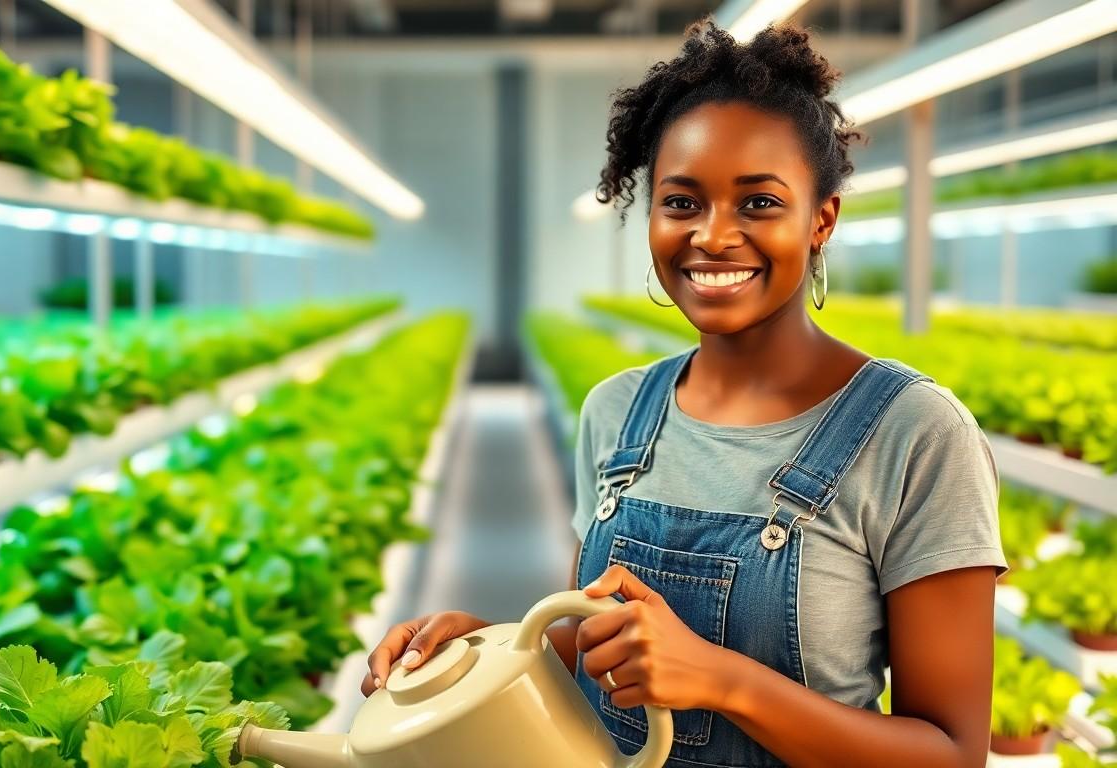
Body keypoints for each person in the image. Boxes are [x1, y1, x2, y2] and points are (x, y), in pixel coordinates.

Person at [361, 17, 1007, 768]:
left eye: (759, 203)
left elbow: (953, 753)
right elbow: (595, 645)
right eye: (682, 203)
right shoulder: (617, 412)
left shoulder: (917, 435)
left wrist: (724, 681)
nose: (711, 236)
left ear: (820, 220)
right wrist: (495, 646)